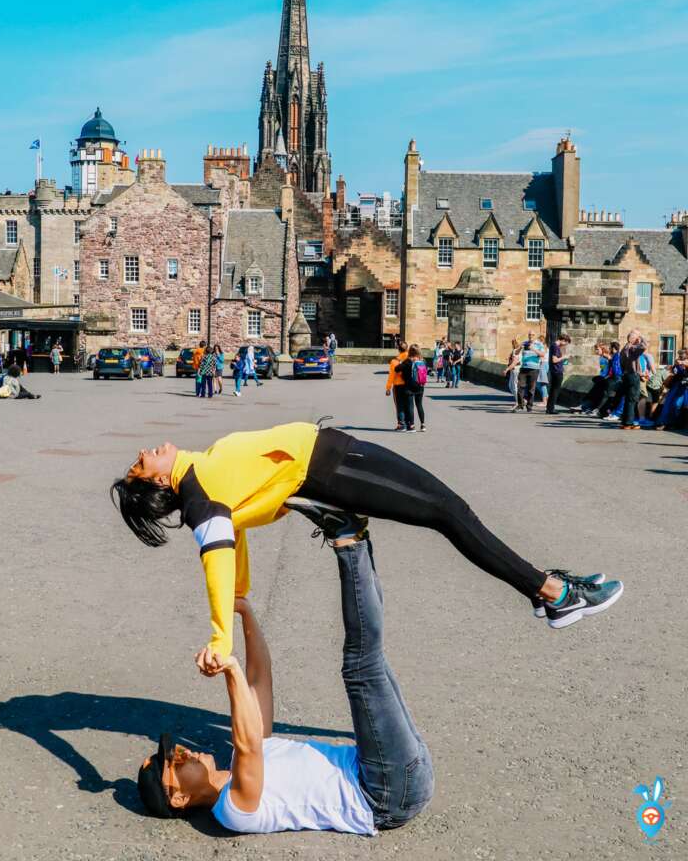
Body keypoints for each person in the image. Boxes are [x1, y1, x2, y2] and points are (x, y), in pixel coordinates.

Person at [111, 422, 624, 674]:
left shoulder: (206, 473)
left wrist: (243, 591)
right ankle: (552, 593)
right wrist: (223, 635)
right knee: (451, 515)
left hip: (339, 452)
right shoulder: (199, 497)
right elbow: (216, 558)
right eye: (139, 467)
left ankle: (548, 588)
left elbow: (235, 534)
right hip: (334, 468)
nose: (141, 453)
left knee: (454, 510)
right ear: (157, 486)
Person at [138, 536, 434, 834]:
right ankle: (349, 541)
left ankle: (360, 539)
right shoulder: (234, 810)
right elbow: (247, 743)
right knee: (361, 668)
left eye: (176, 752)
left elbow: (259, 680)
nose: (183, 753)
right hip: (383, 793)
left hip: (395, 770)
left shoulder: (242, 765)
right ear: (179, 797)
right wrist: (230, 669)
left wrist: (245, 612)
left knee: (372, 661)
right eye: (175, 763)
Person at [618, 331, 647, 430]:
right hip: (633, 376)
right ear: (634, 339)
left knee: (627, 399)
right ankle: (628, 423)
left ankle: (625, 421)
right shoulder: (633, 349)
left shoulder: (624, 349)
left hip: (625, 376)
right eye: (637, 338)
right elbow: (644, 346)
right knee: (632, 400)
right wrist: (641, 337)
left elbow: (621, 365)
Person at [397, 344, 428, 432]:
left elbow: (397, 369)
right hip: (420, 386)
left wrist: (400, 363)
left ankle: (412, 426)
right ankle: (423, 425)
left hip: (409, 386)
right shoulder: (423, 361)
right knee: (419, 405)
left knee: (410, 406)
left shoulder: (408, 361)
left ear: (410, 351)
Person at [515, 331, 545, 413]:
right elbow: (516, 353)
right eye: (529, 335)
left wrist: (533, 349)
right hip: (524, 368)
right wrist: (520, 348)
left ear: (535, 336)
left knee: (531, 389)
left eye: (532, 335)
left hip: (534, 368)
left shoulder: (539, 344)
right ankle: (520, 405)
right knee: (520, 386)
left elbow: (542, 354)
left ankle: (529, 406)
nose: (530, 336)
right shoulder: (524, 343)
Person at [384, 340, 408, 430]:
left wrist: (388, 388)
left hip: (398, 385)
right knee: (408, 404)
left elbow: (391, 375)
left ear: (398, 349)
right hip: (409, 385)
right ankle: (410, 423)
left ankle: (401, 424)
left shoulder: (394, 361)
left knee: (399, 405)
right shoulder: (411, 358)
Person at [545, 334, 571, 415]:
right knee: (555, 390)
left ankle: (549, 408)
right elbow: (554, 360)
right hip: (557, 371)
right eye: (565, 343)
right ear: (563, 340)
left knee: (553, 390)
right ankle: (551, 409)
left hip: (554, 371)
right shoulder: (556, 347)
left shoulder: (553, 345)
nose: (565, 345)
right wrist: (564, 357)